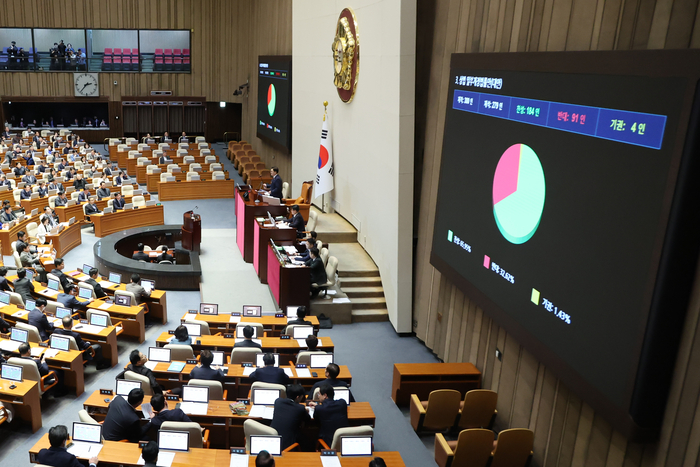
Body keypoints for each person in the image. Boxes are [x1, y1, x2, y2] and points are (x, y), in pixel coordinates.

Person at [270, 384, 310, 450]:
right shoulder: (300, 408)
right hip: (288, 444)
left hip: (273, 438)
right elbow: (307, 419)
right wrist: (306, 411)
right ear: (297, 397)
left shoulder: (278, 401)